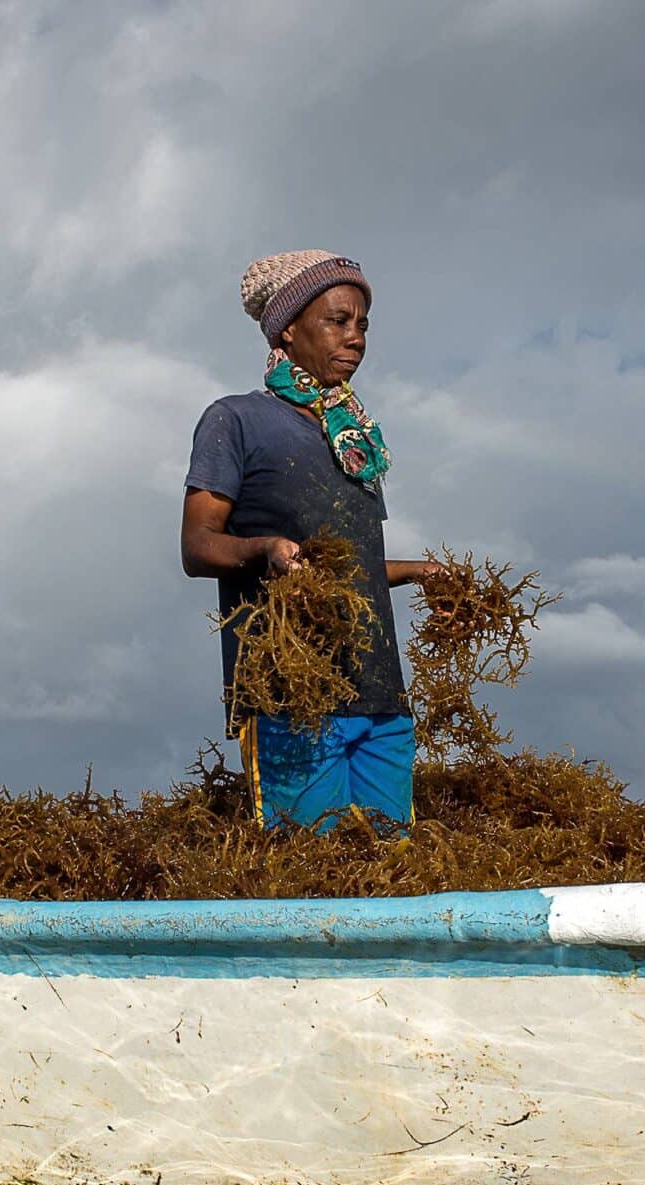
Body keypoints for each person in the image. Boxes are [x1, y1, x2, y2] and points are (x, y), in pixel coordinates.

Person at [180, 251, 439, 831]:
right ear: (289, 329)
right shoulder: (236, 420)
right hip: (291, 694)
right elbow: (197, 546)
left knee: (393, 861)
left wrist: (419, 572)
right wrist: (264, 549)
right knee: (310, 863)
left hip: (381, 699)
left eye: (363, 325)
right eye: (337, 321)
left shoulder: (355, 439)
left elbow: (349, 565)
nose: (356, 338)